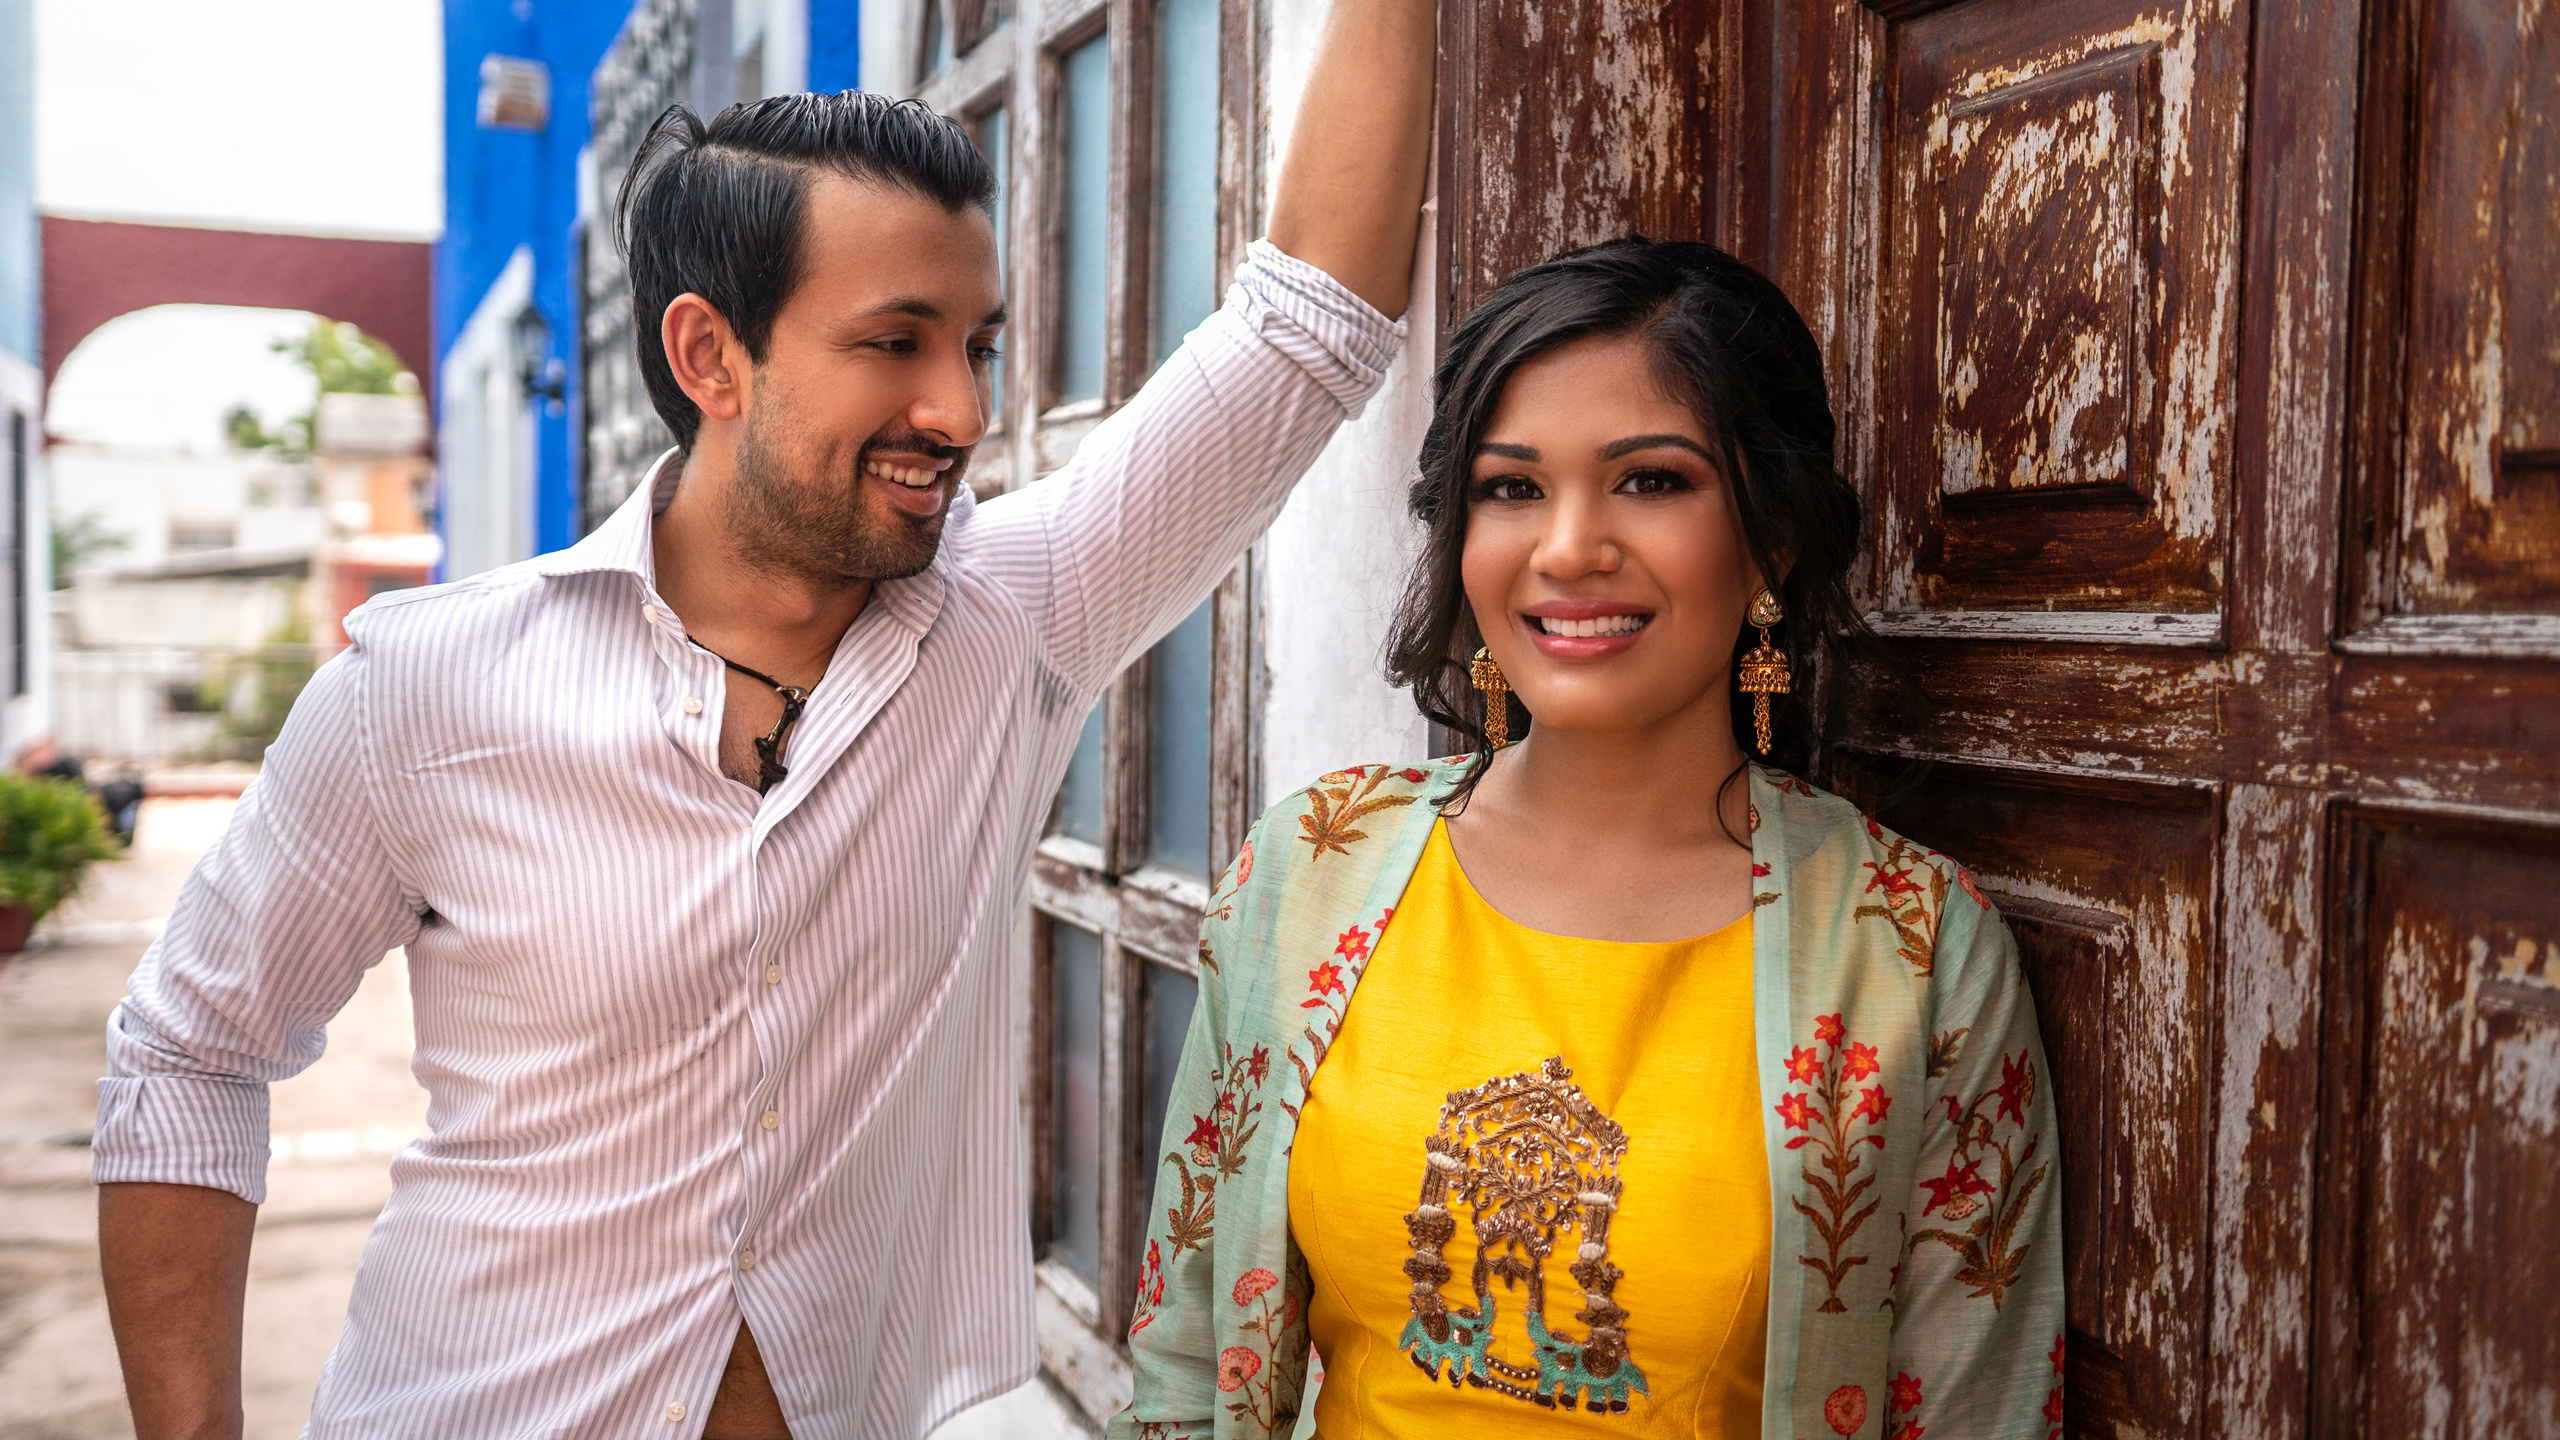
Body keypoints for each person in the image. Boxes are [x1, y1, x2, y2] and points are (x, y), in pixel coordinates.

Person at [89, 4, 1436, 1436]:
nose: (959, 406)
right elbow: (190, 1053)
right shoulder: (426, 691)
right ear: (710, 356)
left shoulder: (1012, 626)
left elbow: (1307, 329)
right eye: (894, 342)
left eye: (974, 341)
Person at [1113, 241, 2064, 1438]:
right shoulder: (1313, 867)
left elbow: (1975, 1408)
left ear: (1770, 537)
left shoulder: (1910, 950)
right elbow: (1188, 1359)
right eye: (1510, 488)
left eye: (1650, 482)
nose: (1566, 548)